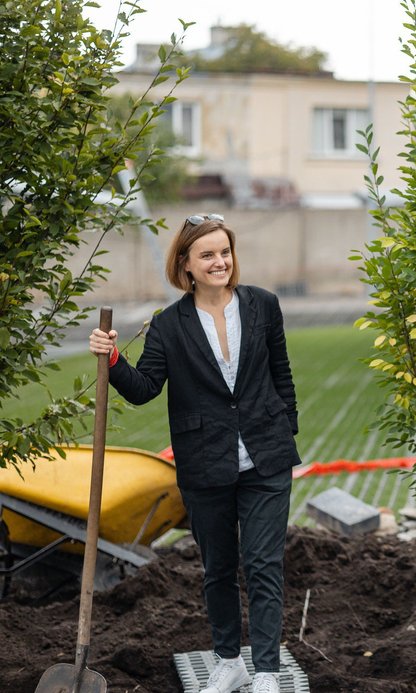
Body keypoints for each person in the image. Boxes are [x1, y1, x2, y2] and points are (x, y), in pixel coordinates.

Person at [88, 214, 301, 693]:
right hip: (205, 462)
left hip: (267, 458)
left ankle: (266, 671)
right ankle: (229, 662)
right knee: (219, 568)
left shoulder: (263, 306)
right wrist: (114, 359)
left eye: (224, 252)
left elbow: (281, 375)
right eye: (207, 255)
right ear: (185, 264)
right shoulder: (167, 325)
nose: (219, 262)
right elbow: (144, 390)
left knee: (264, 563)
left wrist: (285, 431)